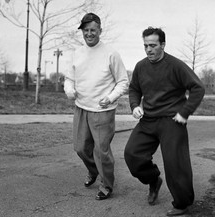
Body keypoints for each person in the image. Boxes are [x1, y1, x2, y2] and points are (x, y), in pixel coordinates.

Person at [124, 27, 205, 216]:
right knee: (132, 154)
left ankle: (182, 204)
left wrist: (184, 112)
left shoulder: (175, 65)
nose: (148, 50)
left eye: (153, 45)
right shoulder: (141, 66)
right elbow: (134, 89)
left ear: (163, 45)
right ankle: (153, 179)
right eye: (145, 46)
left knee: (175, 164)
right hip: (148, 119)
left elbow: (197, 88)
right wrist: (135, 105)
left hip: (172, 120)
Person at [64, 12, 129, 200]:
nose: (89, 33)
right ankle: (93, 171)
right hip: (81, 107)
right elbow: (69, 78)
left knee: (101, 151)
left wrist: (110, 97)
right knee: (80, 148)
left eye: (93, 30)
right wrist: (70, 89)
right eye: (86, 30)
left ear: (100, 30)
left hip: (102, 110)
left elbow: (123, 82)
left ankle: (107, 185)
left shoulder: (111, 53)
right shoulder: (77, 52)